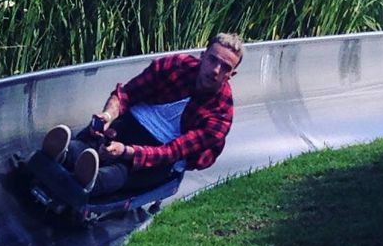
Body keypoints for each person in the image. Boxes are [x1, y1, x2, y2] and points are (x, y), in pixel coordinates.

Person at [42, 33, 244, 196]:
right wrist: (108, 115)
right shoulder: (176, 65)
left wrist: (126, 151)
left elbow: (171, 152)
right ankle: (66, 153)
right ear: (203, 56)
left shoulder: (221, 115)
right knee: (98, 139)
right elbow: (127, 94)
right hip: (133, 121)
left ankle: (90, 179)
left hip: (161, 152)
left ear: (231, 75)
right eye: (212, 60)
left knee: (119, 173)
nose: (215, 70)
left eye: (225, 67)